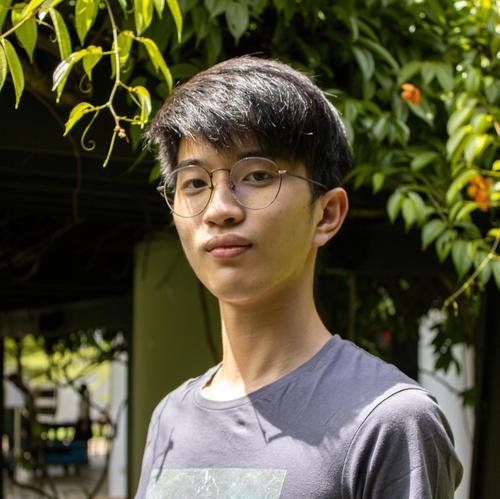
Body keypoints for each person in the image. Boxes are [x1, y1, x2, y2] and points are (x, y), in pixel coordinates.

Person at [136, 56, 462, 498]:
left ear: (326, 215)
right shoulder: (171, 418)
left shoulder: (389, 421)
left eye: (256, 175)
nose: (219, 209)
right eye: (194, 182)